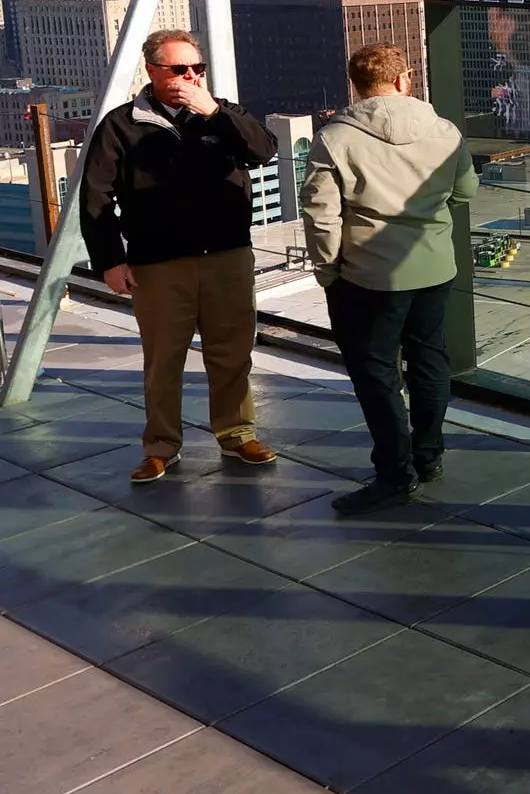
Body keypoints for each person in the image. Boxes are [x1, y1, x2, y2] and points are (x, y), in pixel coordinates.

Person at [81, 28, 280, 484]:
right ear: (152, 71)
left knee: (232, 353)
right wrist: (111, 260)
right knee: (163, 359)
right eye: (179, 69)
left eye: (197, 68)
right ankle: (161, 447)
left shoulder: (222, 114)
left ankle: (236, 433)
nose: (190, 76)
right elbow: (95, 198)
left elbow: (263, 150)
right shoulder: (121, 125)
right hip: (158, 262)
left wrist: (213, 112)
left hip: (227, 256)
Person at [301, 43, 477, 515]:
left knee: (376, 374)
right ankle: (430, 455)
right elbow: (465, 191)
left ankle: (395, 472)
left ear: (355, 84)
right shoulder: (444, 130)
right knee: (429, 360)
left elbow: (321, 214)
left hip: (366, 274)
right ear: (406, 78)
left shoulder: (335, 137)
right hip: (434, 266)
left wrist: (328, 269)